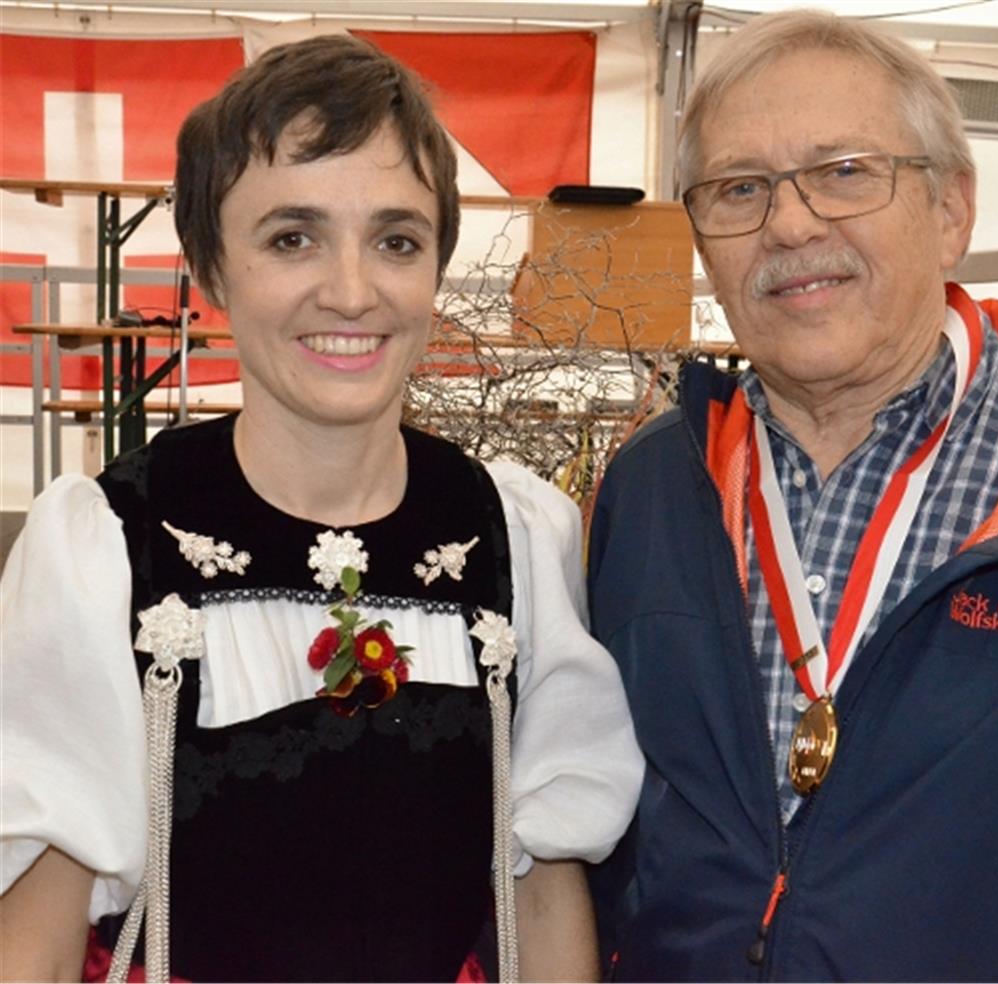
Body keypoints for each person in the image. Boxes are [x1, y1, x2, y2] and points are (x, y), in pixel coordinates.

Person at [0, 35, 643, 982]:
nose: (352, 291)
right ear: (212, 270)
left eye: (396, 240)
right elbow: (38, 937)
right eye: (291, 237)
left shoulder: (515, 537)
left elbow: (542, 899)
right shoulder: (106, 545)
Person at [587, 9, 998, 981]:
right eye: (740, 189)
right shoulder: (650, 485)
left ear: (951, 209)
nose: (788, 222)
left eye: (844, 171)